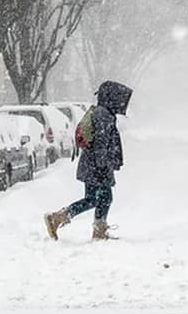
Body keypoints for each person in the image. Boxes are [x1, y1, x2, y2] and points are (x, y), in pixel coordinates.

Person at [44, 80, 132, 241]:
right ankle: (60, 218)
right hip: (97, 166)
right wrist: (102, 165)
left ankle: (69, 220)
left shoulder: (102, 112)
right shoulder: (104, 115)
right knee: (101, 198)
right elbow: (101, 142)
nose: (122, 103)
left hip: (92, 164)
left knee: (96, 198)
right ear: (112, 97)